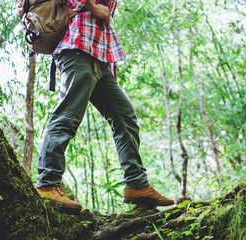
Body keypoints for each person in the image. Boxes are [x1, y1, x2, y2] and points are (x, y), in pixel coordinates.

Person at [35, 0, 175, 211]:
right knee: (67, 116)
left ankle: (136, 184)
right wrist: (93, 7)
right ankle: (48, 183)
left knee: (125, 117)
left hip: (99, 59)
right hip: (78, 49)